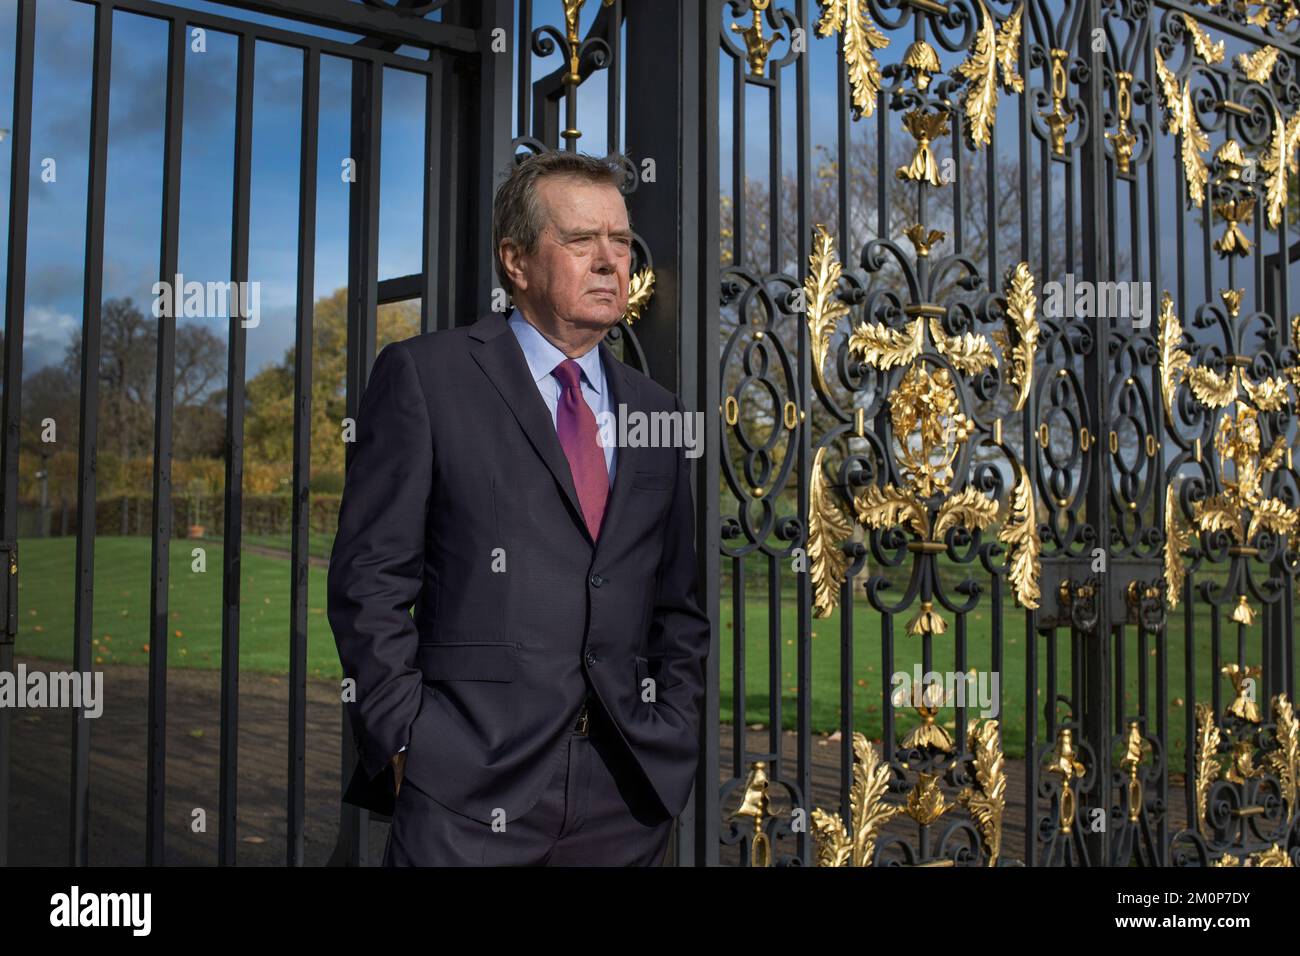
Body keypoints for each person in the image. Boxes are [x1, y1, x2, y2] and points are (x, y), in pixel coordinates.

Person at [327, 150, 710, 865]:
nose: (609, 260)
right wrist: (406, 738)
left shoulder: (658, 414)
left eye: (621, 241)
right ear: (516, 260)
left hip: (625, 797)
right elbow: (369, 581)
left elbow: (678, 606)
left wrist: (673, 728)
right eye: (579, 240)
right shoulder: (427, 378)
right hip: (466, 787)